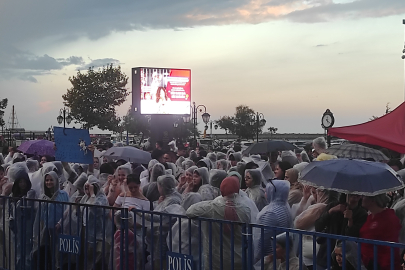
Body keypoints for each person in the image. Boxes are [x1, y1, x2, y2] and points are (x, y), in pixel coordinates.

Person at [186, 177, 251, 270]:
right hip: (238, 258)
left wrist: (212, 202)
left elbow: (189, 211)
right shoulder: (245, 209)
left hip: (216, 260)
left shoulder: (213, 207)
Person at [315, 193, 367, 269]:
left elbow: (352, 239)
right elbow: (318, 226)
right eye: (352, 191)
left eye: (358, 192)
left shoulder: (362, 213)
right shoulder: (333, 206)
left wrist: (350, 220)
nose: (355, 194)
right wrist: (331, 211)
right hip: (325, 254)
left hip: (345, 261)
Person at [32, 171, 69, 270]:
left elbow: (67, 211)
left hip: (60, 230)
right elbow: (39, 215)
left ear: (56, 180)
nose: (49, 182)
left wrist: (60, 223)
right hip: (45, 232)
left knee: (59, 255)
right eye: (47, 180)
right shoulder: (43, 197)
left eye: (51, 180)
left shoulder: (63, 194)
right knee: (46, 255)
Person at [360, 194, 401, 270]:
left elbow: (390, 247)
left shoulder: (389, 218)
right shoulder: (370, 217)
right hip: (367, 264)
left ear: (373, 200)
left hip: (381, 265)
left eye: (364, 196)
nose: (361, 198)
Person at [255, 180, 293, 263]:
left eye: (268, 190)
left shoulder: (271, 213)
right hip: (281, 256)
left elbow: (263, 241)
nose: (265, 191)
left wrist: (255, 259)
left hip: (270, 259)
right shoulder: (285, 206)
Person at [78, 176, 112, 270]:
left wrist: (92, 194)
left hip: (98, 235)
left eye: (89, 187)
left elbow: (96, 209)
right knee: (86, 257)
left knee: (95, 260)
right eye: (86, 188)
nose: (87, 190)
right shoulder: (86, 197)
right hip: (86, 230)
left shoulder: (101, 198)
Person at [9, 170, 36, 270]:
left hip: (27, 226)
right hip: (16, 227)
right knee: (17, 250)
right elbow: (10, 210)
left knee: (28, 250)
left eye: (24, 181)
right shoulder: (12, 196)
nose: (22, 184)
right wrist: (11, 219)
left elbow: (30, 207)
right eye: (20, 182)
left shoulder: (31, 193)